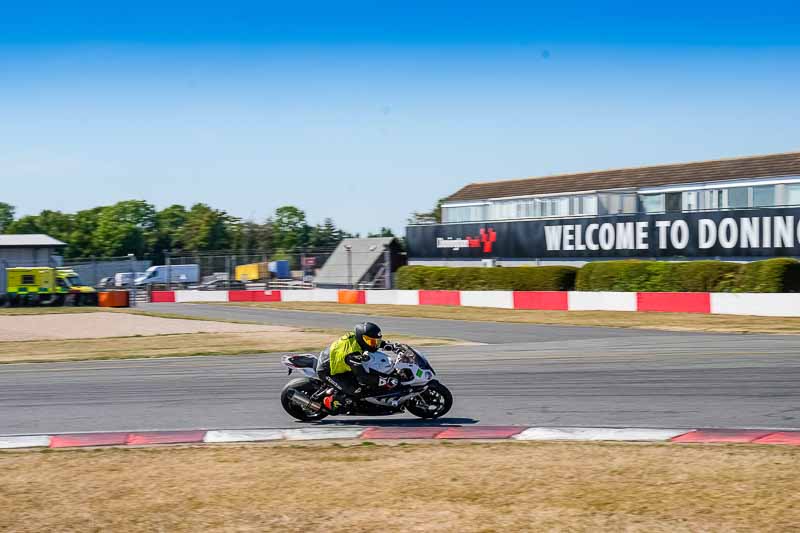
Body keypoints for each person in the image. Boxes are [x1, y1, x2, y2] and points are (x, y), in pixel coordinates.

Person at [316, 322, 398, 413]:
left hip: (336, 361)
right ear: (361, 338)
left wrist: (388, 345)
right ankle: (331, 401)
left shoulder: (356, 338)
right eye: (371, 342)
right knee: (356, 390)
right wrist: (385, 380)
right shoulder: (353, 355)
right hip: (328, 371)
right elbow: (363, 378)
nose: (374, 344)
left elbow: (374, 342)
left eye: (376, 341)